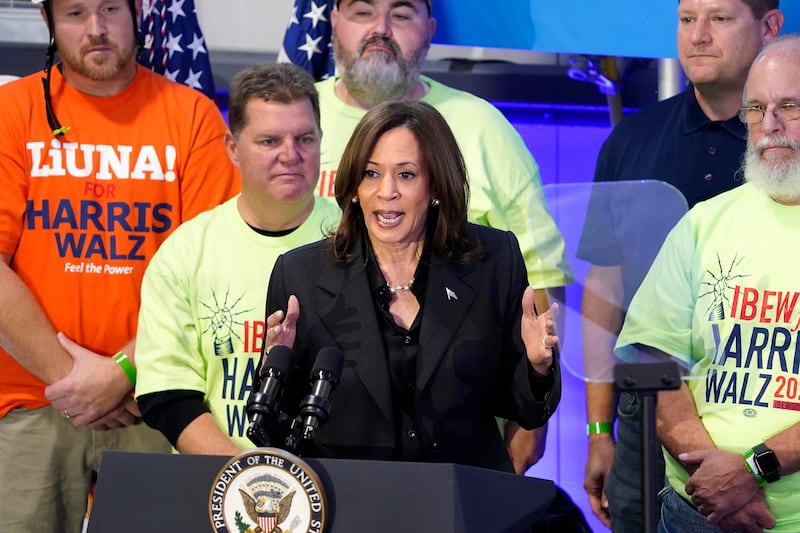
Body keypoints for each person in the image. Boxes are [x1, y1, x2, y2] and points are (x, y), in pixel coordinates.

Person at [0, 0, 238, 530]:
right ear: (48, 23)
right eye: (75, 13)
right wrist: (78, 381)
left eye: (110, 8)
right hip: (31, 404)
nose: (96, 28)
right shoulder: (10, 112)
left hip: (155, 405)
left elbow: (211, 270)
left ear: (137, 16)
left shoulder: (193, 117)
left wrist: (125, 372)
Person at [317, 0, 571, 476]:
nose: (381, 30)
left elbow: (540, 279)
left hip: (459, 443)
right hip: (339, 451)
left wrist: (532, 420)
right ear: (333, 22)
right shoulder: (295, 125)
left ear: (430, 29)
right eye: (362, 12)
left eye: (402, 14)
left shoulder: (483, 126)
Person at [261, 100, 561, 472]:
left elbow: (524, 410)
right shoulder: (300, 275)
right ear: (354, 186)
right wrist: (274, 370)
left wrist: (536, 368)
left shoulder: (494, 261)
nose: (386, 191)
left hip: (461, 504)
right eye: (371, 174)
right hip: (350, 503)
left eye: (405, 175)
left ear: (435, 186)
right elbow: (275, 433)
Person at [578, 0, 783, 530]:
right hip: (645, 412)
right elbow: (604, 293)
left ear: (769, 27)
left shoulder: (782, 148)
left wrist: (744, 474)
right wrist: (599, 431)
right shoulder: (629, 142)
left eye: (719, 18)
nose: (698, 36)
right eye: (687, 18)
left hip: (765, 418)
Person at [134, 63, 341, 455]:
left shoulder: (357, 242)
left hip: (338, 482)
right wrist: (245, 475)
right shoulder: (187, 251)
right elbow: (168, 393)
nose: (290, 155)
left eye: (305, 139)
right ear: (233, 148)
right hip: (214, 482)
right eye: (269, 141)